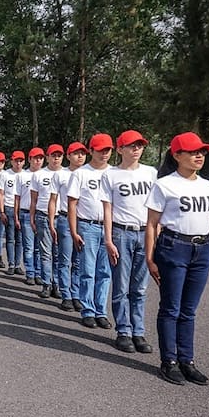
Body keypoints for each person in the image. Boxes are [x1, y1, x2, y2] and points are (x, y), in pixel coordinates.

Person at [145, 132, 209, 386]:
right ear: (177, 155)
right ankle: (170, 361)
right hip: (174, 247)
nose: (199, 155)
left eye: (202, 152)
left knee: (189, 310)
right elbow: (152, 224)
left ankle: (187, 361)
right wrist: (150, 257)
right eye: (193, 151)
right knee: (171, 308)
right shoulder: (165, 184)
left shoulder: (207, 186)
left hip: (202, 249)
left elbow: (207, 221)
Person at [102, 130, 157, 354]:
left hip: (146, 233)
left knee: (140, 288)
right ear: (120, 149)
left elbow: (157, 209)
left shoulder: (151, 173)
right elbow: (108, 209)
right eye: (131, 146)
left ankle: (139, 332)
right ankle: (123, 331)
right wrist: (108, 239)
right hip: (122, 233)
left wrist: (157, 235)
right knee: (121, 286)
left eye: (140, 145)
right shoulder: (111, 175)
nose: (136, 149)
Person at [68, 133, 113, 329]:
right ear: (91, 151)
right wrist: (74, 230)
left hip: (111, 228)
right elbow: (72, 204)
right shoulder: (81, 173)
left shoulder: (114, 173)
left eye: (108, 150)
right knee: (87, 270)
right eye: (101, 150)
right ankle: (87, 310)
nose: (104, 153)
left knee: (105, 271)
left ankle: (100, 311)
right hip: (88, 226)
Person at [48, 142, 87, 311]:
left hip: (83, 221)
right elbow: (53, 200)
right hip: (64, 218)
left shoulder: (89, 174)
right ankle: (66, 294)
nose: (80, 156)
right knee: (64, 259)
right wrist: (51, 221)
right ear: (68, 156)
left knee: (78, 261)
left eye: (83, 153)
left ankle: (76, 293)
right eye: (76, 153)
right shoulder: (60, 175)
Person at [31, 144, 64, 298]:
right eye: (53, 155)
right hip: (43, 216)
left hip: (62, 218)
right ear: (48, 157)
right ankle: (46, 283)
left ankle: (57, 284)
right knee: (46, 253)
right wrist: (32, 218)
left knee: (59, 254)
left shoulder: (68, 174)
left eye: (59, 155)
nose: (56, 158)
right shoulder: (38, 175)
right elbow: (33, 199)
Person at [14, 147, 44, 285]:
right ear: (30, 159)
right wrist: (16, 215)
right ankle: (30, 273)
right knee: (29, 246)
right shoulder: (22, 175)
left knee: (39, 247)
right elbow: (17, 197)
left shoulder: (46, 175)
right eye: (35, 158)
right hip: (25, 213)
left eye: (41, 158)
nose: (38, 161)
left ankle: (39, 272)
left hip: (41, 214)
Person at [0, 151, 24, 275]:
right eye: (16, 161)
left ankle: (18, 264)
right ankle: (11, 264)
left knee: (19, 239)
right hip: (9, 207)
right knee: (10, 238)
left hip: (22, 209)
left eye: (20, 161)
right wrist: (2, 211)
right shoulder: (5, 174)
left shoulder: (26, 175)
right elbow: (1, 193)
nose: (18, 163)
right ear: (12, 161)